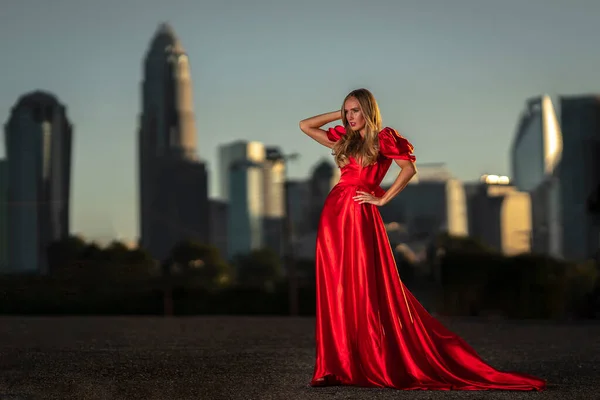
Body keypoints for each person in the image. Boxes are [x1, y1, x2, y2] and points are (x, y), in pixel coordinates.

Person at [298, 88, 547, 391]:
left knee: (366, 285)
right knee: (336, 287)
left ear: (369, 112)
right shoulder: (343, 139)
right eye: (347, 111)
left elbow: (408, 168)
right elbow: (305, 125)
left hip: (361, 215)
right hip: (333, 217)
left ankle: (370, 361)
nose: (350, 117)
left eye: (356, 111)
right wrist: (340, 114)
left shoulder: (383, 139)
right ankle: (334, 367)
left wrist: (382, 199)